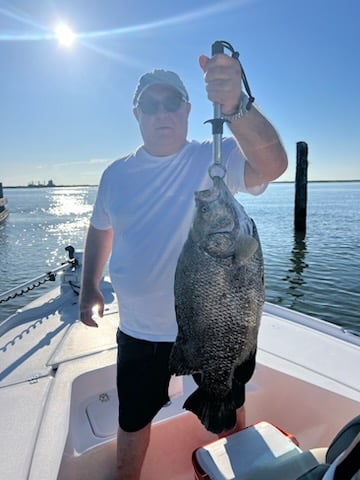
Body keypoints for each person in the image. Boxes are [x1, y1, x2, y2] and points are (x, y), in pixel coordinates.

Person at [80, 51, 288, 480]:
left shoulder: (215, 156)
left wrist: (237, 108)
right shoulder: (115, 175)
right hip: (139, 331)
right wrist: (89, 287)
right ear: (137, 113)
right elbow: (101, 229)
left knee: (228, 417)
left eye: (171, 102)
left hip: (215, 328)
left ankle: (237, 471)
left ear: (189, 110)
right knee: (132, 424)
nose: (162, 112)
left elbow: (273, 164)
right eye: (151, 105)